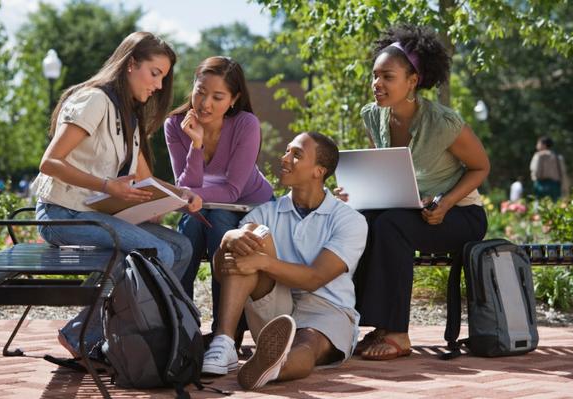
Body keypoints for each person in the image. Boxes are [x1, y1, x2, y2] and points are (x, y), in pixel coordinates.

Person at [30, 32, 201, 357]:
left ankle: (127, 333)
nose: (160, 85)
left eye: (163, 77)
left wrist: (180, 195)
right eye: (155, 73)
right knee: (158, 254)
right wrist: (107, 186)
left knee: (181, 247)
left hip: (95, 215)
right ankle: (85, 336)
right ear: (131, 64)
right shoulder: (94, 100)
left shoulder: (129, 114)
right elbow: (50, 162)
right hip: (61, 215)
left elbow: (144, 179)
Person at [336, 24, 490, 361]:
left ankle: (398, 335)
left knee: (390, 226)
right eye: (375, 76)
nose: (377, 84)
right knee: (361, 221)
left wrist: (446, 202)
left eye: (387, 77)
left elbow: (481, 167)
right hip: (410, 211)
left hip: (460, 215)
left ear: (413, 81)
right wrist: (355, 192)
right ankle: (373, 324)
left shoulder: (444, 122)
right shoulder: (373, 117)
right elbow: (385, 170)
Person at [200, 132, 368, 389]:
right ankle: (224, 342)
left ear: (318, 171)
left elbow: (314, 278)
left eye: (296, 154)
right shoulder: (265, 213)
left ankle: (275, 366)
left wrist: (262, 262)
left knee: (308, 343)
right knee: (250, 236)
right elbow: (225, 273)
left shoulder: (349, 220)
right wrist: (228, 240)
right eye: (287, 151)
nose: (285, 158)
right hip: (277, 302)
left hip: (327, 307)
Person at [164, 56, 273, 334]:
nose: (205, 103)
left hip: (249, 204)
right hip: (205, 205)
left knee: (221, 227)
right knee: (189, 228)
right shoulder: (176, 125)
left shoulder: (246, 124)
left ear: (234, 99)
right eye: (200, 92)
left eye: (217, 96)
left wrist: (189, 195)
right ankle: (182, 326)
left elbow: (232, 191)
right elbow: (186, 185)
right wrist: (196, 144)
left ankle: (226, 331)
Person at [529, 136, 569, 201]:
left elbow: (535, 171)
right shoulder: (557, 157)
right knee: (555, 206)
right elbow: (563, 173)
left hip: (540, 185)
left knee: (539, 206)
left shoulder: (538, 155)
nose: (537, 145)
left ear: (544, 145)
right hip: (555, 185)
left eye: (538, 143)